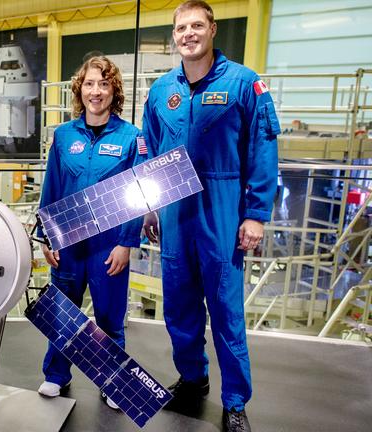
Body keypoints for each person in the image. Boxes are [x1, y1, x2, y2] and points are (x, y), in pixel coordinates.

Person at [141, 2, 280, 431]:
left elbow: (262, 149)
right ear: (174, 36)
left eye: (196, 25)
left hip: (222, 209)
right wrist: (149, 205)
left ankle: (235, 400)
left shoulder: (244, 84)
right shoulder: (161, 90)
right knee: (179, 308)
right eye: (181, 27)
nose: (188, 34)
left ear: (212, 30)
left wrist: (255, 214)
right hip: (176, 213)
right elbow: (148, 149)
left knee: (225, 312)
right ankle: (193, 378)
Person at [36, 56, 144, 410]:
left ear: (115, 90)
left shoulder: (132, 138)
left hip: (108, 244)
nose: (96, 91)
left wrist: (127, 243)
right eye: (89, 84)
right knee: (63, 312)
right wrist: (47, 236)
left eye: (103, 84)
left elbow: (138, 195)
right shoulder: (63, 136)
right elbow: (51, 188)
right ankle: (56, 375)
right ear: (79, 90)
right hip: (68, 242)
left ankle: (113, 381)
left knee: (109, 316)